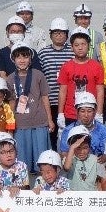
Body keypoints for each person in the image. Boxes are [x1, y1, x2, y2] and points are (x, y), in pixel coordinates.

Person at [7, 41, 54, 178]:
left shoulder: (38, 75)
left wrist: (50, 120)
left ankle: (44, 183)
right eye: (19, 57)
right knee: (22, 158)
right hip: (20, 123)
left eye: (25, 57)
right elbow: (11, 102)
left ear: (30, 59)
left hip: (40, 121)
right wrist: (10, 124)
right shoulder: (10, 79)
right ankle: (23, 186)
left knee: (42, 156)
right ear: (13, 59)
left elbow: (45, 98)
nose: (22, 60)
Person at [56, 27, 105, 131]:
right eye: (76, 45)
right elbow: (62, 91)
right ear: (72, 47)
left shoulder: (96, 66)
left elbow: (100, 91)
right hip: (71, 113)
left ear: (88, 46)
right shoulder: (66, 67)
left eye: (83, 44)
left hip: (90, 113)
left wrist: (99, 113)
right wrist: (60, 113)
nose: (80, 48)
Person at [37, 17, 74, 150]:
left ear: (67, 35)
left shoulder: (73, 52)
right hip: (50, 102)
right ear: (50, 34)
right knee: (51, 134)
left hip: (69, 102)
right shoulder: (43, 53)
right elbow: (39, 79)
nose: (59, 35)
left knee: (70, 134)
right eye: (56, 32)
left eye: (62, 32)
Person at [58, 91, 106, 157]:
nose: (86, 115)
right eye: (82, 111)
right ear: (77, 112)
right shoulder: (68, 130)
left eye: (89, 111)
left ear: (94, 112)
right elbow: (64, 154)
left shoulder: (103, 130)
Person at [0, 132, 29, 198]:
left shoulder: (22, 166)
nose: (8, 155)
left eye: (11, 151)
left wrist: (19, 188)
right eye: (3, 153)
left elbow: (26, 187)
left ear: (16, 152)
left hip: (17, 201)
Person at [62, 125, 100, 191]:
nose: (82, 152)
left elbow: (101, 180)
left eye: (85, 148)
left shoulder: (95, 159)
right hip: (74, 196)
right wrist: (72, 148)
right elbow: (66, 167)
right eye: (78, 148)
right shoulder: (69, 159)